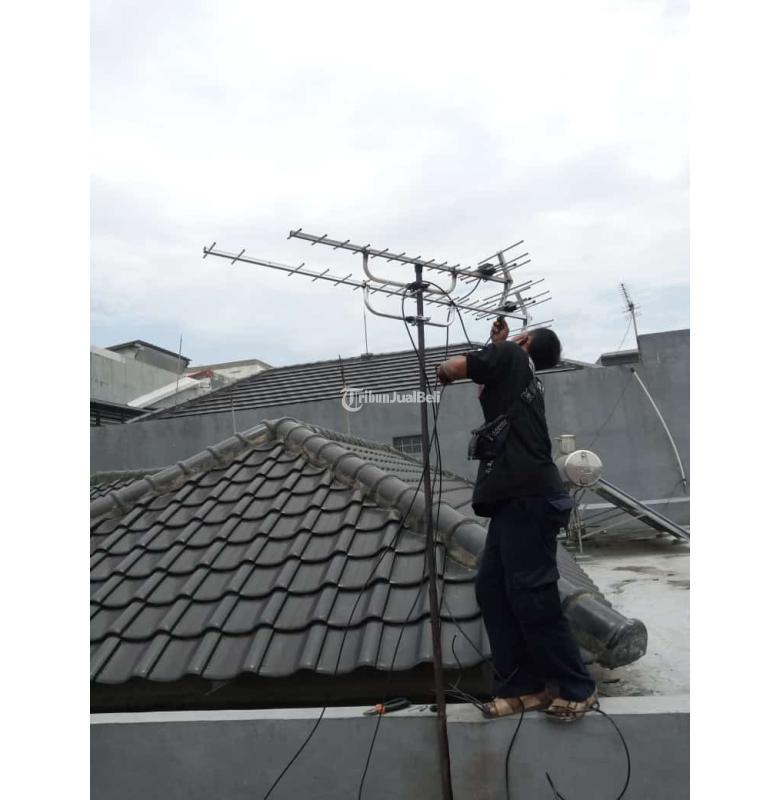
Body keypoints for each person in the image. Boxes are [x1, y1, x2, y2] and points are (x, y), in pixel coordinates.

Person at [436, 318, 597, 722]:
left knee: (532, 594)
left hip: (529, 496)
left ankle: (577, 686)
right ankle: (524, 687)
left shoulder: (510, 355)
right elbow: (483, 387)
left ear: (523, 340)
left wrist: (451, 365)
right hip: (515, 499)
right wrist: (492, 347)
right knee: (492, 589)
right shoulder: (519, 376)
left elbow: (453, 369)